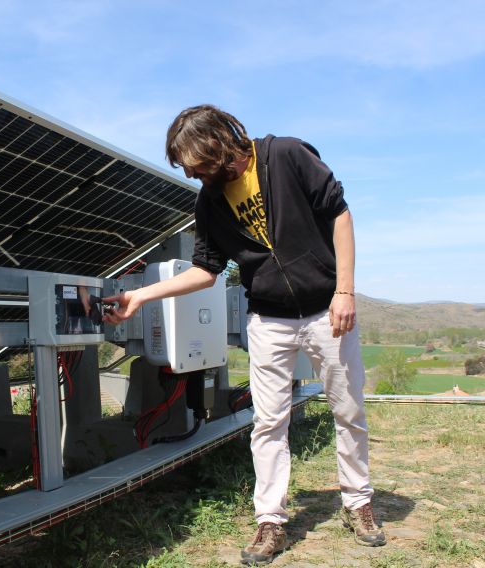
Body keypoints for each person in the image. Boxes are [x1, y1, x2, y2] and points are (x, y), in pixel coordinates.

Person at [104, 104, 384, 565]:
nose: (193, 174)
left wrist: (345, 290)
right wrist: (142, 296)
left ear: (215, 144)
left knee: (348, 411)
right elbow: (205, 270)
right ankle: (270, 520)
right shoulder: (210, 200)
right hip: (268, 320)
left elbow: (339, 215)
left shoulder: (288, 156)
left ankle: (359, 503)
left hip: (325, 311)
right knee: (268, 422)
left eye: (194, 163)